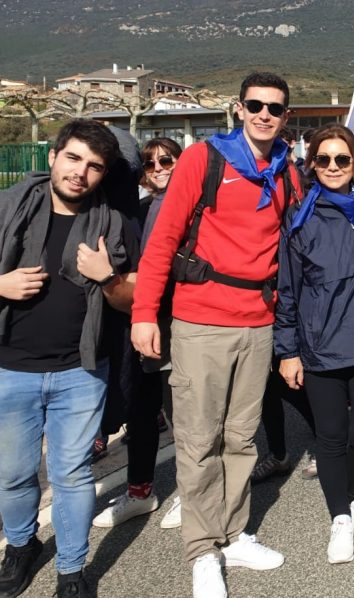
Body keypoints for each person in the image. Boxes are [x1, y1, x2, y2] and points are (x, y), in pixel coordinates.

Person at [131, 72, 299, 598]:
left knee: (241, 438)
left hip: (258, 321)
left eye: (274, 107)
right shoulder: (204, 160)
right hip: (201, 320)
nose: (264, 114)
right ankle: (203, 550)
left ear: (285, 116)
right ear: (239, 108)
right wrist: (143, 313)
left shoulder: (286, 173)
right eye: (255, 105)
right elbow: (162, 242)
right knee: (199, 440)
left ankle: (233, 533)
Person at [0, 119, 137, 598]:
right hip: (9, 368)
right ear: (54, 156)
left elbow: (132, 300)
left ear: (104, 175)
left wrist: (107, 278)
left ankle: (72, 571)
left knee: (73, 473)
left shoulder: (113, 225)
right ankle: (21, 546)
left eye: (94, 166)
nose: (81, 172)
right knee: (14, 474)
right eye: (74, 158)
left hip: (80, 372)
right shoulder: (8, 207)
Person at [276, 124, 354, 565]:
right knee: (331, 437)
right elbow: (288, 290)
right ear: (313, 164)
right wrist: (287, 351)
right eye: (324, 159)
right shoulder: (300, 218)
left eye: (342, 158)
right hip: (320, 347)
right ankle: (340, 516)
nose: (333, 167)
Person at [92, 137, 185, 531]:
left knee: (186, 413)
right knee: (142, 412)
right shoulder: (137, 211)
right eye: (150, 164)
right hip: (138, 325)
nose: (160, 167)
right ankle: (140, 489)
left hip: (179, 324)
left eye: (167, 159)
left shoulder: (196, 209)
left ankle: (192, 491)